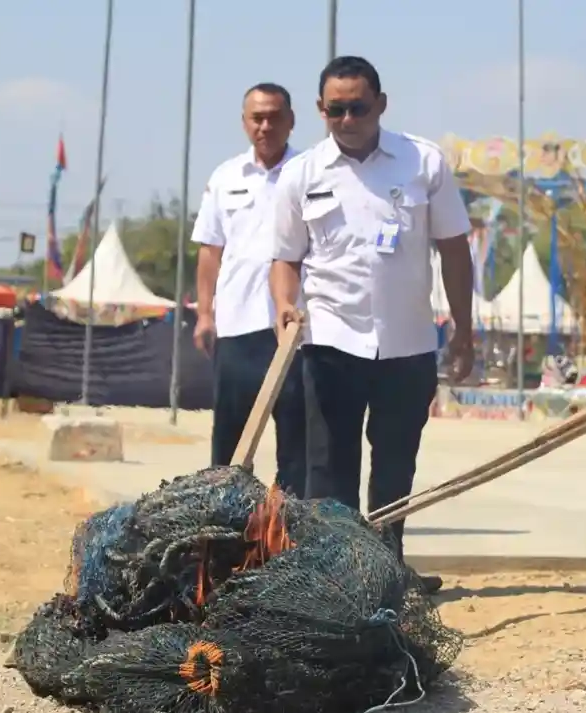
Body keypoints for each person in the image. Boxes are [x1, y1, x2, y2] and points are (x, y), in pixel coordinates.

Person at [268, 56, 475, 592]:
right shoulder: (302, 174)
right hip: (331, 340)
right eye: (335, 109)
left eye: (358, 107)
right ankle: (335, 577)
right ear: (320, 110)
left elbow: (455, 253)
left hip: (407, 343)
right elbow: (285, 259)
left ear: (380, 104)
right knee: (330, 465)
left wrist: (465, 331)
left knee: (396, 463)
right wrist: (284, 307)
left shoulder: (423, 163)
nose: (347, 118)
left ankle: (387, 570)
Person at [191, 82, 307, 495]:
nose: (265, 126)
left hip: (293, 329)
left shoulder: (310, 172)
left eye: (275, 117)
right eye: (257, 117)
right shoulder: (225, 177)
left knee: (298, 437)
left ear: (291, 121)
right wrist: (205, 314)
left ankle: (290, 523)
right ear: (244, 123)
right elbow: (210, 251)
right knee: (230, 437)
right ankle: (224, 515)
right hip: (237, 325)